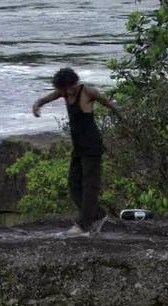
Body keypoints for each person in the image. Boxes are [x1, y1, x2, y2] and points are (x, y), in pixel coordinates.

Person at [32, 67, 118, 233]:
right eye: (61, 89)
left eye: (66, 89)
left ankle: (84, 225)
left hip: (92, 145)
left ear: (73, 84)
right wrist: (37, 106)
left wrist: (123, 120)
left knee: (90, 185)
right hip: (78, 146)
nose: (64, 93)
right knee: (73, 184)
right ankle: (98, 215)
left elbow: (108, 103)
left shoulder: (87, 92)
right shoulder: (64, 92)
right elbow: (45, 99)